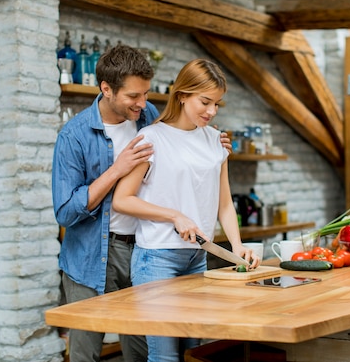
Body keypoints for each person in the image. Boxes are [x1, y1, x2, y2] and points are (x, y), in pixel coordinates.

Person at [52, 46, 230, 362]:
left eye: (146, 93)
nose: (143, 103)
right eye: (134, 96)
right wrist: (116, 170)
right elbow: (65, 211)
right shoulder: (74, 136)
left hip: (147, 251)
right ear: (106, 89)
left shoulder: (146, 119)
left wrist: (212, 143)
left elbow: (181, 138)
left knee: (141, 350)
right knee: (86, 352)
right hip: (94, 252)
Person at [112, 58, 261, 362]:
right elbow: (122, 200)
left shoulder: (215, 141)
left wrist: (236, 246)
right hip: (156, 260)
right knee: (165, 357)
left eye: (217, 104)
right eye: (205, 101)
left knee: (195, 354)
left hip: (197, 258)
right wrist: (174, 215)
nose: (211, 111)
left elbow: (223, 202)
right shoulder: (152, 139)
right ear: (182, 95)